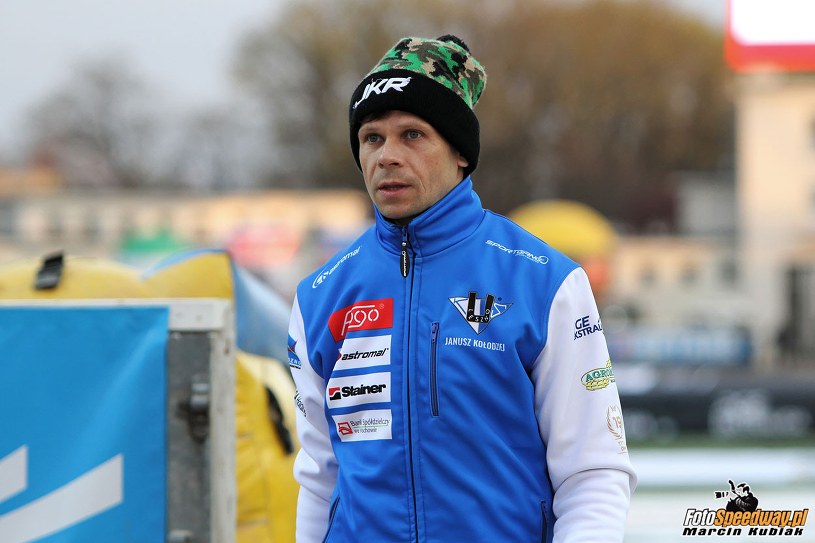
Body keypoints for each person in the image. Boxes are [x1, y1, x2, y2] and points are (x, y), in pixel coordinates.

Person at [287, 34, 637, 543]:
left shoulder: (544, 282)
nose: (387, 156)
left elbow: (593, 473)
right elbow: (319, 479)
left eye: (412, 135)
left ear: (460, 154)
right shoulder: (320, 295)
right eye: (372, 138)